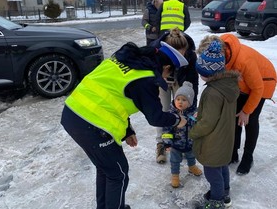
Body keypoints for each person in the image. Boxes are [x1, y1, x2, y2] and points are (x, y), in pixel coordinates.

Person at [60, 38, 190, 209]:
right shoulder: (146, 79)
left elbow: (113, 95)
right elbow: (155, 117)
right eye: (169, 74)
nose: (166, 78)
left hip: (72, 113)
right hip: (92, 125)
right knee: (118, 173)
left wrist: (128, 130)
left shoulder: (124, 59)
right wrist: (177, 120)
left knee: (107, 168)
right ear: (166, 68)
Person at [197, 34, 277, 175]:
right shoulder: (218, 49)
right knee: (234, 117)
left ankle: (248, 157)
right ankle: (233, 152)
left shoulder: (244, 61)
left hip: (264, 82)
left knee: (249, 120)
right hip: (242, 83)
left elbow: (258, 88)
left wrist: (246, 111)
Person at [190, 39, 240, 209]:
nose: (200, 75)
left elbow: (207, 123)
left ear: (208, 73)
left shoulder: (212, 92)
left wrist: (193, 131)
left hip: (213, 141)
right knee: (222, 166)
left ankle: (217, 201)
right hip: (225, 137)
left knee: (212, 172)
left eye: (201, 72)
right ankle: (224, 194)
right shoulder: (228, 85)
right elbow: (218, 113)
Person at [150, 28, 199, 164]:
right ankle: (161, 144)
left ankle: (180, 144)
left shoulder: (190, 54)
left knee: (181, 110)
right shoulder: (156, 50)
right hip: (163, 80)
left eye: (183, 54)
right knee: (163, 111)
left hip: (180, 82)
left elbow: (193, 80)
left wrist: (192, 102)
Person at [162, 81, 202, 188]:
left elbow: (199, 126)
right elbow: (166, 130)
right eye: (178, 99)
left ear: (190, 102)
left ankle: (192, 166)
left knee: (191, 156)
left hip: (190, 143)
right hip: (176, 144)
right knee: (175, 160)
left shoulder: (194, 113)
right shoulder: (171, 115)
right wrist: (167, 143)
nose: (180, 102)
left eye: (184, 100)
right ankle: (175, 175)